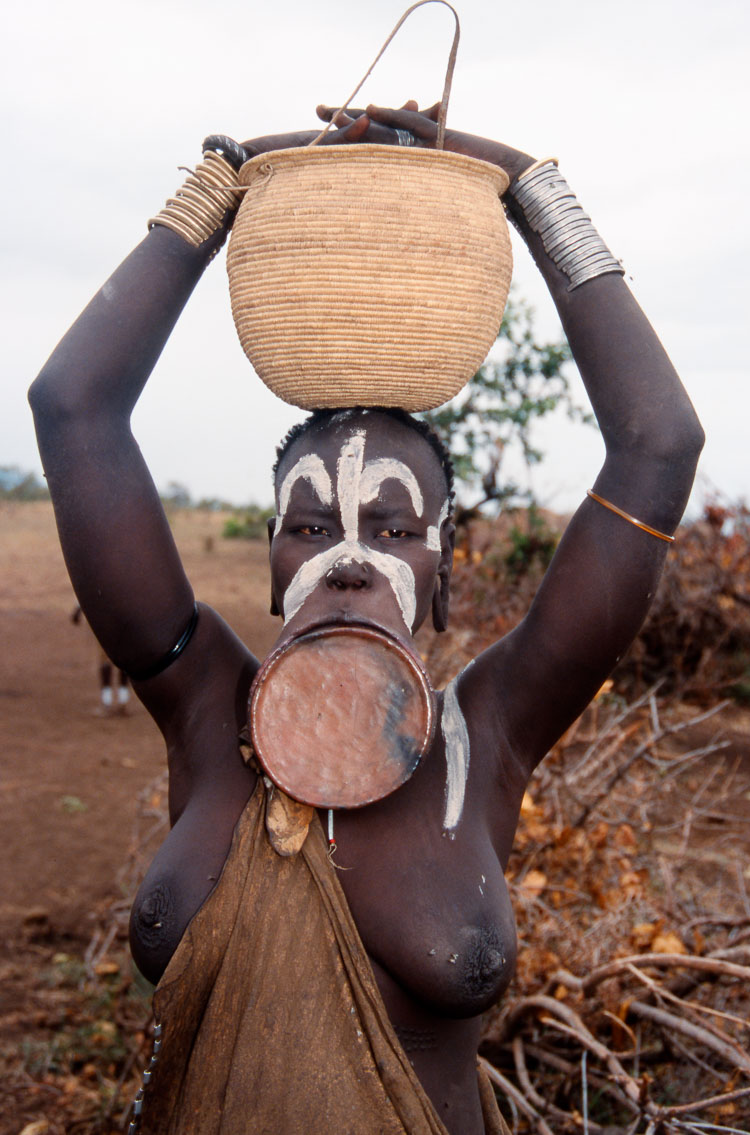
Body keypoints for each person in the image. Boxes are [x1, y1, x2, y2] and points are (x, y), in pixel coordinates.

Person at [29, 102, 703, 1135]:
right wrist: (226, 185)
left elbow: (656, 446)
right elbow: (73, 406)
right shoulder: (202, 701)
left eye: (391, 528)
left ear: (442, 569)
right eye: (309, 526)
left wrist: (521, 185)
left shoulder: (492, 733)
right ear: (269, 562)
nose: (348, 558)